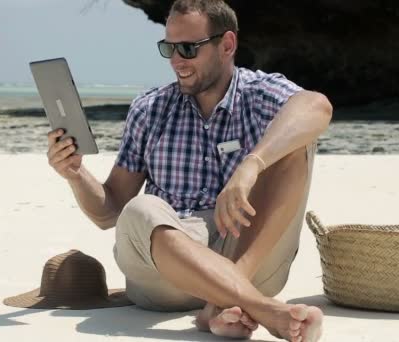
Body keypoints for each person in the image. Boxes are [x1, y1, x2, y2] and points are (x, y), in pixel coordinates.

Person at [47, 0, 332, 340]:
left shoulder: (258, 94)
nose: (176, 61)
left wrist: (250, 165)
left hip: (248, 254)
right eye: (168, 48)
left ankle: (225, 303)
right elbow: (109, 211)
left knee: (296, 143)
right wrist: (76, 175)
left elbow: (317, 106)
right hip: (167, 272)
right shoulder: (150, 109)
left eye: (187, 48)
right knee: (140, 209)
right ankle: (261, 308)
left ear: (226, 45)